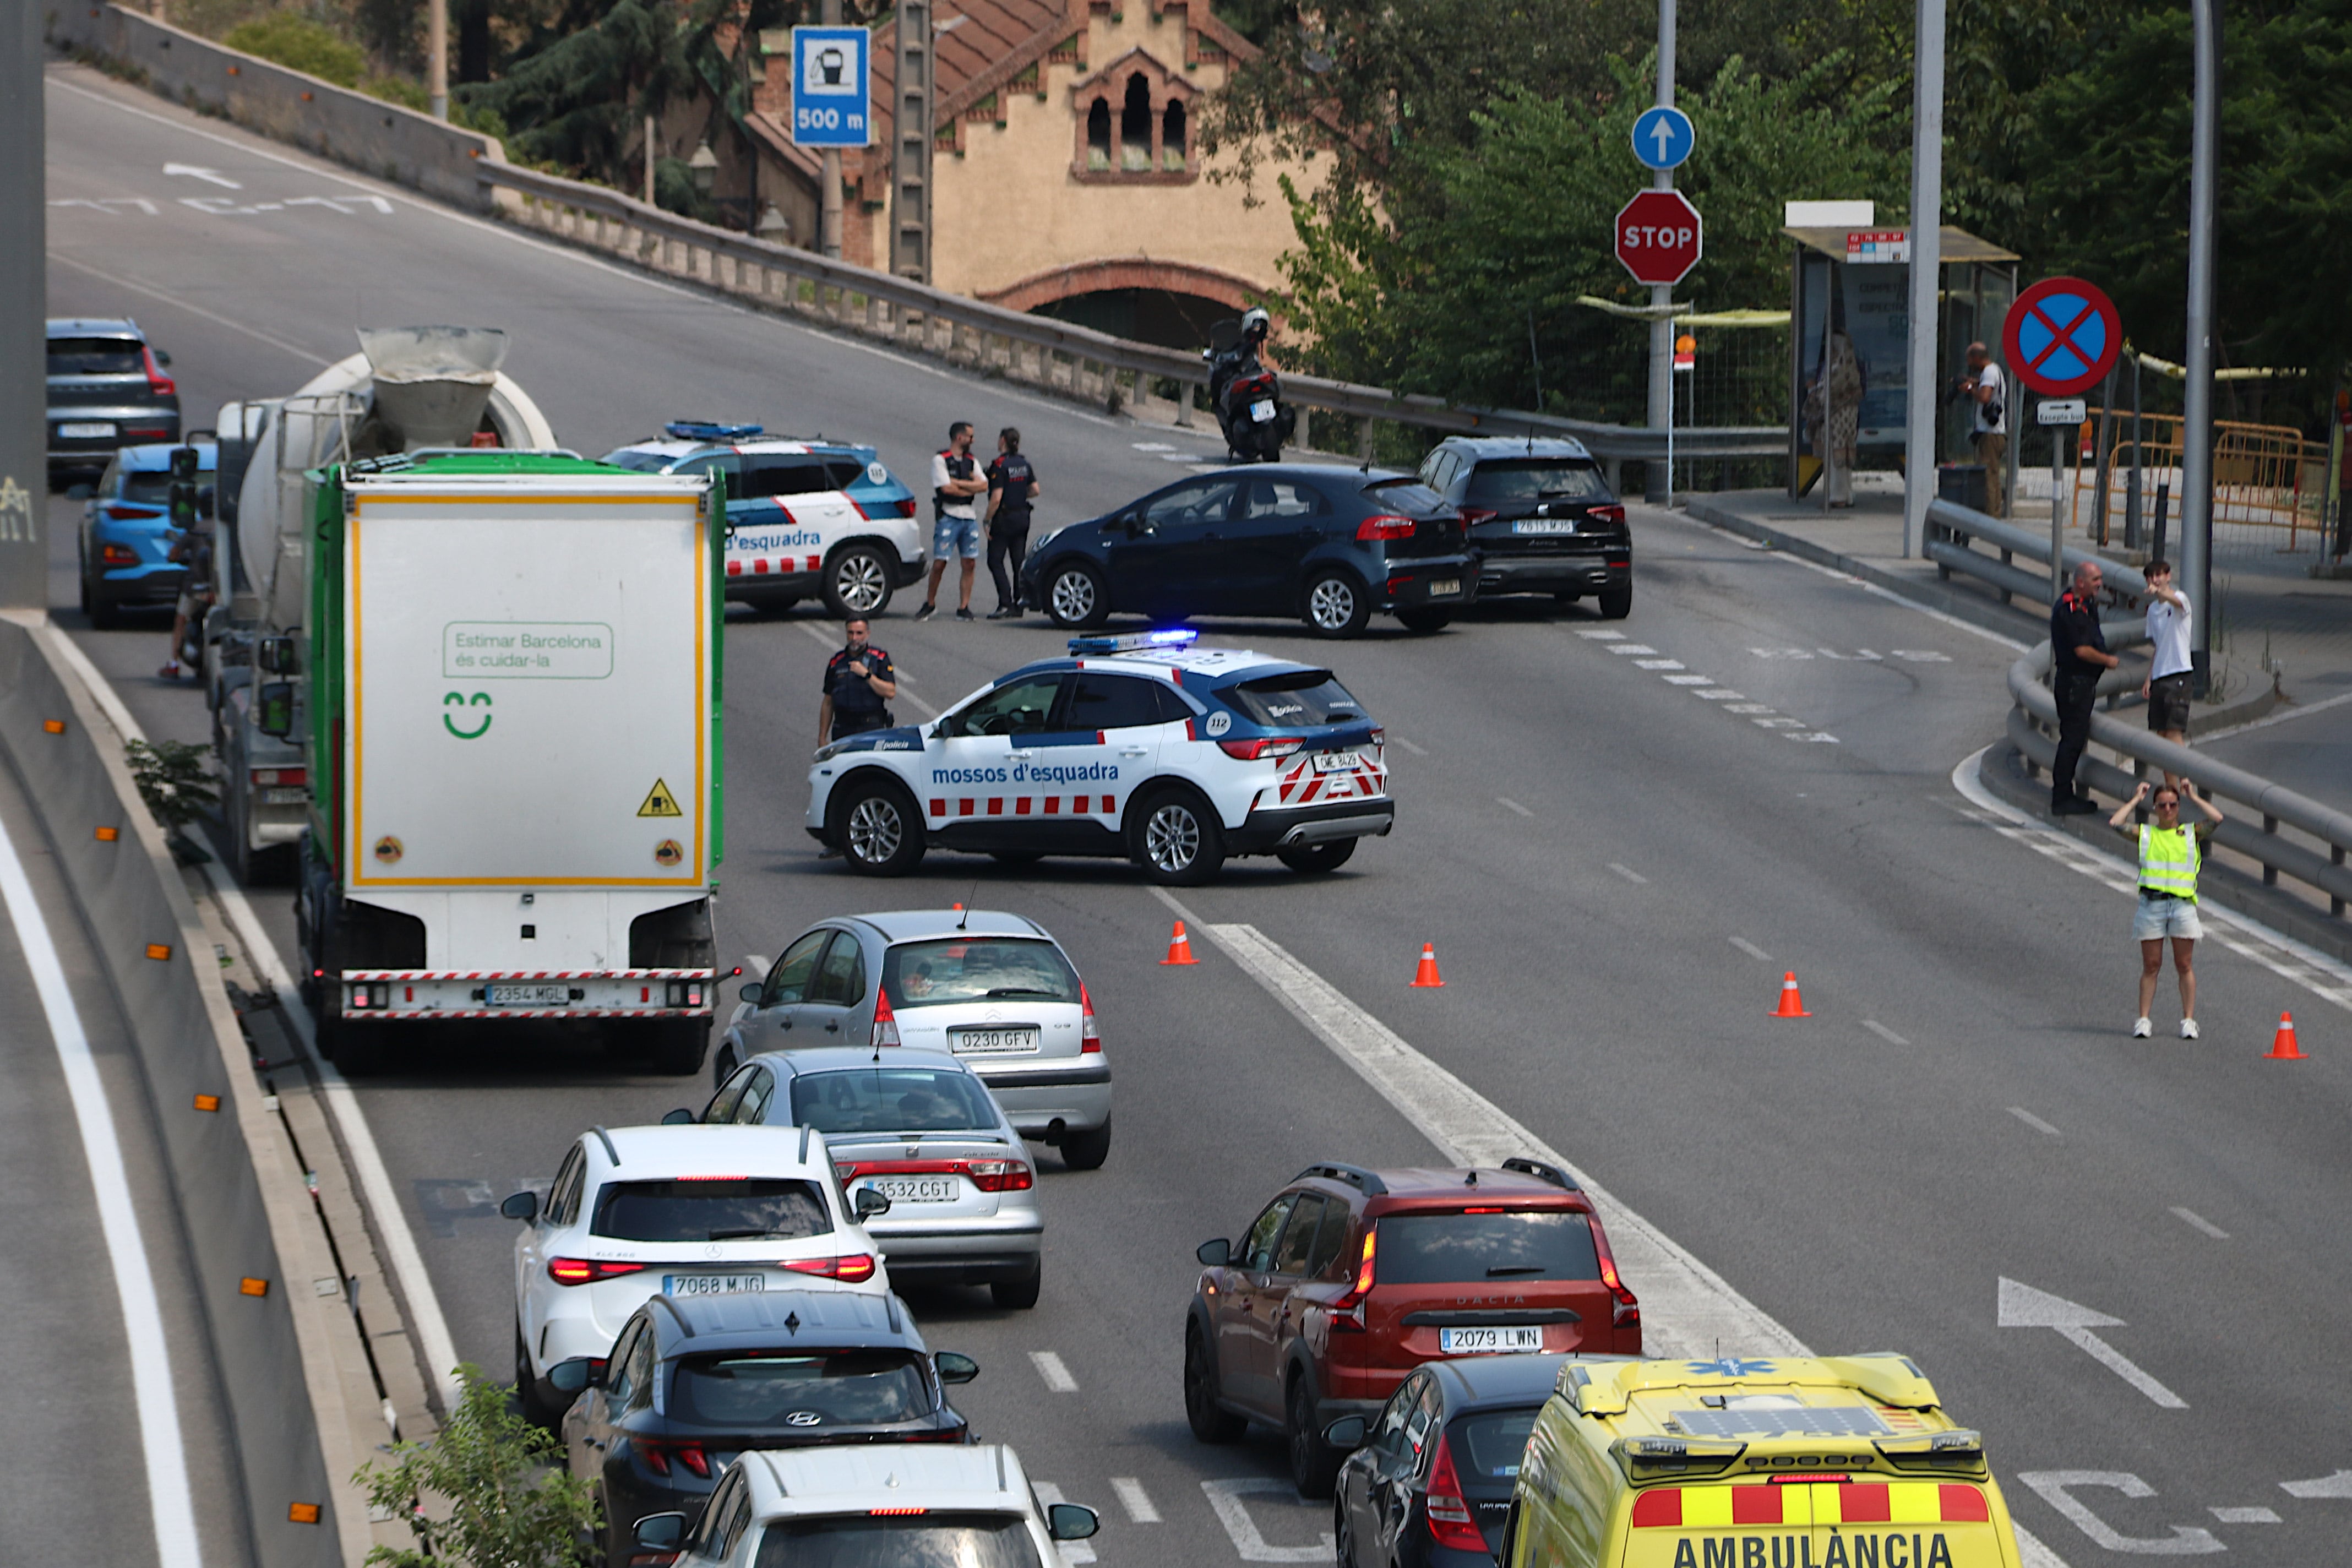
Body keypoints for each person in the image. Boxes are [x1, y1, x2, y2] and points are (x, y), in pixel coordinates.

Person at [2108, 778, 2223, 1038]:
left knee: (2184, 964)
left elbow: (2217, 819)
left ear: (2178, 807)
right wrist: (2136, 799)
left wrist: (2194, 796)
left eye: (2172, 805)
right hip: (2153, 906)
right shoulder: (2147, 834)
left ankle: (2188, 1020)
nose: (2168, 810)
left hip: (2182, 907)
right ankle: (2144, 1020)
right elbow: (2115, 823)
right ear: (2155, 809)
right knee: (2151, 964)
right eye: (2162, 806)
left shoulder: (2191, 833)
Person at [2050, 559, 2118, 814]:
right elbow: (2081, 649)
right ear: (2080, 582)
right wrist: (2107, 661)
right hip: (2074, 685)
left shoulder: (2086, 604)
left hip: (2080, 684)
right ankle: (2062, 798)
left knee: (2074, 739)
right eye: (2095, 580)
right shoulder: (2072, 608)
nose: (2100, 584)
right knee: (2072, 741)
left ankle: (2066, 794)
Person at [918, 421, 987, 622]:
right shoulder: (941, 460)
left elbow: (983, 486)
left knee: (970, 562)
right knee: (940, 562)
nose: (973, 440)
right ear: (959, 438)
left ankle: (964, 606)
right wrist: (969, 486)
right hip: (948, 516)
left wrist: (957, 482)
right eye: (970, 436)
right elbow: (945, 489)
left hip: (969, 517)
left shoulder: (972, 461)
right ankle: (930, 603)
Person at [2139, 557, 2193, 788]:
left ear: (2168, 576)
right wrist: (2149, 677)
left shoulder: (2179, 599)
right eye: (2151, 576)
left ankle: (2186, 779)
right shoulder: (2153, 611)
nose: (2155, 580)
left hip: (2179, 673)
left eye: (2159, 575)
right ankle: (2172, 790)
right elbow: (2159, 646)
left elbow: (2174, 602)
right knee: (2161, 735)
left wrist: (2161, 592)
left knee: (2173, 731)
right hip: (2160, 675)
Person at [983, 427, 1040, 620]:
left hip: (1004, 519)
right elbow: (1035, 490)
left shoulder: (1000, 465)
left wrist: (987, 520)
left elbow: (996, 498)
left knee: (995, 559)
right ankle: (1019, 602)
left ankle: (1005, 603)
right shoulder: (1024, 464)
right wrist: (1018, 494)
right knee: (1018, 561)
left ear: (1003, 441)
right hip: (1022, 517)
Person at [816, 617, 898, 748]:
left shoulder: (880, 658)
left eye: (859, 633)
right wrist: (822, 737)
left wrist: (867, 675)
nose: (855, 638)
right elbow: (828, 702)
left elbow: (890, 692)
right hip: (843, 727)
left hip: (871, 726)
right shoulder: (836, 662)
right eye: (851, 633)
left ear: (867, 634)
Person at [1804, 333, 1863, 507]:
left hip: (1835, 415)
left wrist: (1812, 389)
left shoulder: (1836, 367)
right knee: (1845, 454)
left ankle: (1837, 496)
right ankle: (1848, 493)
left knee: (1834, 453)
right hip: (1851, 414)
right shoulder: (1852, 365)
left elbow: (1826, 392)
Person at [1961, 342, 2008, 518]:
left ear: (1977, 358)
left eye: (1969, 359)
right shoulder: (1994, 371)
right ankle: (1993, 514)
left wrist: (1970, 389)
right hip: (1992, 433)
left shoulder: (1989, 372)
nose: (1969, 363)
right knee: (1991, 475)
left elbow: (1985, 397)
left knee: (1989, 477)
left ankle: (1992, 517)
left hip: (1991, 434)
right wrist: (1974, 382)